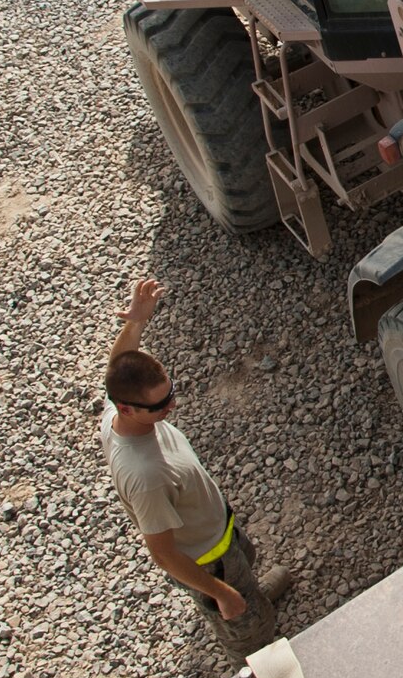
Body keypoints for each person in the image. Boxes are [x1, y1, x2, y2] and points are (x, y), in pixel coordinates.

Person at [100, 278, 279, 658]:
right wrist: (221, 593)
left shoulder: (120, 408)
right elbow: (163, 555)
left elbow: (118, 367)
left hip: (219, 529)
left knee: (245, 568)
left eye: (171, 393)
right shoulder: (146, 476)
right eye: (161, 405)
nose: (172, 407)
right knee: (243, 627)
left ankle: (253, 596)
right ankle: (258, 646)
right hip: (210, 561)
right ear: (128, 408)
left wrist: (135, 324)